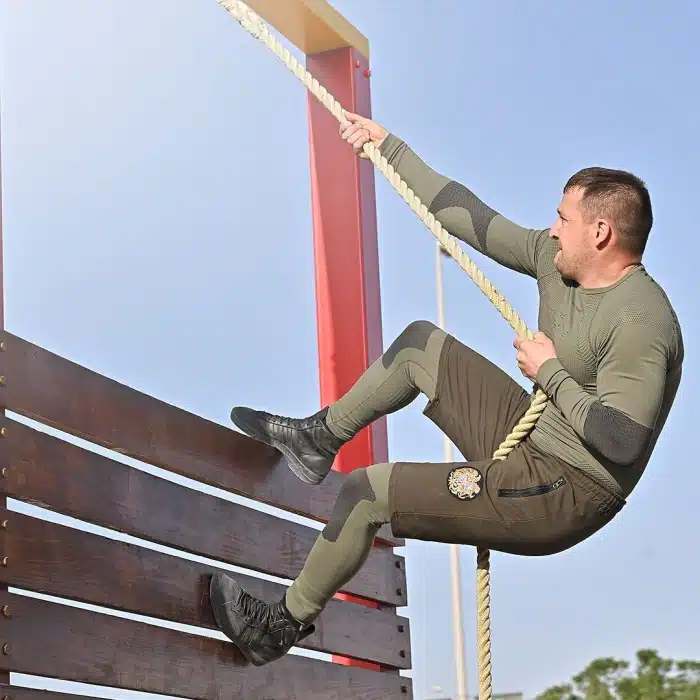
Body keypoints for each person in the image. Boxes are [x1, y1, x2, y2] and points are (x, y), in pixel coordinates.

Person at [209, 112, 684, 667]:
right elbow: (472, 218)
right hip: (535, 437)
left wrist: (550, 372)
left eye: (564, 218)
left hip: (568, 491)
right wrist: (389, 147)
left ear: (600, 233)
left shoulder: (642, 322)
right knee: (421, 346)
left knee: (368, 492)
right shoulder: (556, 263)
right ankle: (320, 437)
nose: (552, 228)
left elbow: (622, 440)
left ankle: (278, 628)